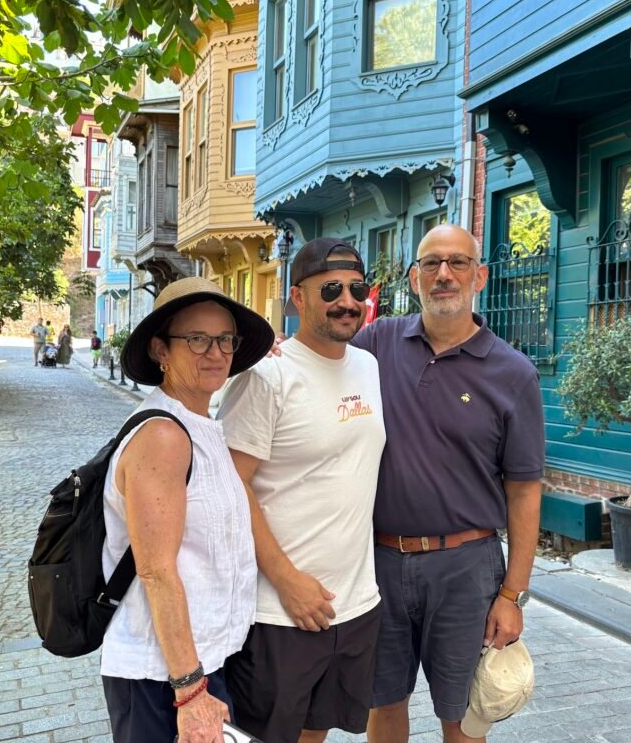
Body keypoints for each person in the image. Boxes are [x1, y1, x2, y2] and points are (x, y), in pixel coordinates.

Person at [351, 224, 544, 743]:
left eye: (458, 262)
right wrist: (276, 354)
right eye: (431, 263)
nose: (444, 274)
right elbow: (320, 362)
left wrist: (513, 595)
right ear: (414, 277)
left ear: (479, 276)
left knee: (463, 717)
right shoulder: (376, 343)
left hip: (466, 569)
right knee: (383, 703)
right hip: (378, 562)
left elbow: (525, 490)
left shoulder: (513, 373)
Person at [218, 238, 386, 743]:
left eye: (357, 289)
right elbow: (230, 485)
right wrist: (286, 579)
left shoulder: (368, 366)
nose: (347, 301)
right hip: (278, 612)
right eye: (330, 289)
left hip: (354, 605)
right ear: (298, 297)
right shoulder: (267, 375)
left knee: (317, 733)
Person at [101, 277, 275, 743]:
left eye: (225, 339)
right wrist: (191, 691)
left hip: (201, 663)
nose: (215, 353)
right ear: (161, 350)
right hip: (163, 677)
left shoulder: (199, 423)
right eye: (197, 339)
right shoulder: (163, 435)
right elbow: (156, 570)